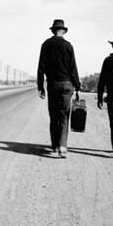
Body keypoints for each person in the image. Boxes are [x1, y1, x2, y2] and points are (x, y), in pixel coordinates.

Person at [37, 19, 81, 158]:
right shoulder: (68, 46)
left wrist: (40, 86)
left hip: (53, 84)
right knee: (64, 115)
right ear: (63, 31)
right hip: (67, 85)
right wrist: (78, 87)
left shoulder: (46, 44)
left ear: (52, 30)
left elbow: (41, 67)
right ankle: (62, 146)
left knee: (53, 114)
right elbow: (73, 68)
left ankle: (55, 144)